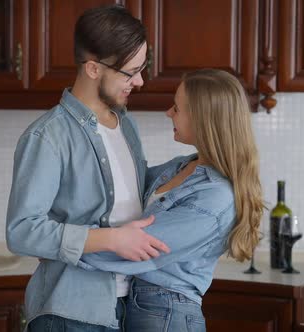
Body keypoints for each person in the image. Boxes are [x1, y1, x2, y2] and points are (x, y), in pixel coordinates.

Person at [6, 5, 170, 331]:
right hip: (71, 314)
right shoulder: (48, 136)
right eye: (130, 72)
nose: (139, 81)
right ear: (93, 69)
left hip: (124, 304)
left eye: (142, 68)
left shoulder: (126, 125)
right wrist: (110, 239)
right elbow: (22, 231)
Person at [78, 69, 265, 331]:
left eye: (177, 108)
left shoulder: (214, 197)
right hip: (145, 306)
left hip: (168, 313)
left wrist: (61, 245)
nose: (169, 113)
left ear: (203, 119)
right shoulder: (182, 167)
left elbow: (136, 249)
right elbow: (124, 188)